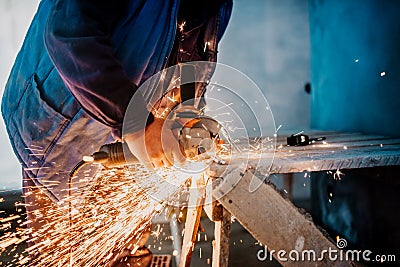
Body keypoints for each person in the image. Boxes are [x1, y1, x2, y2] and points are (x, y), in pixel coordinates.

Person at [1, 0, 232, 266]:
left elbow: (191, 57)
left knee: (126, 252)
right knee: (61, 257)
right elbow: (69, 34)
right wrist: (135, 123)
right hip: (65, 130)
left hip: (141, 132)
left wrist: (186, 115)